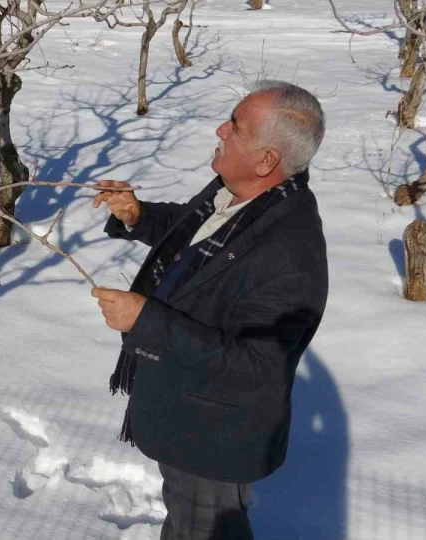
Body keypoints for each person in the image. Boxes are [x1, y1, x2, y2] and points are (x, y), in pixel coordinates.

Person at [91, 80, 329, 540]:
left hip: (213, 435)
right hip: (185, 409)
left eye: (235, 127)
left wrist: (147, 321)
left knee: (205, 529)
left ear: (266, 161)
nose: (220, 129)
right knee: (184, 521)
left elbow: (259, 367)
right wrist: (139, 216)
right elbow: (199, 236)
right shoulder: (244, 194)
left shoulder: (290, 253)